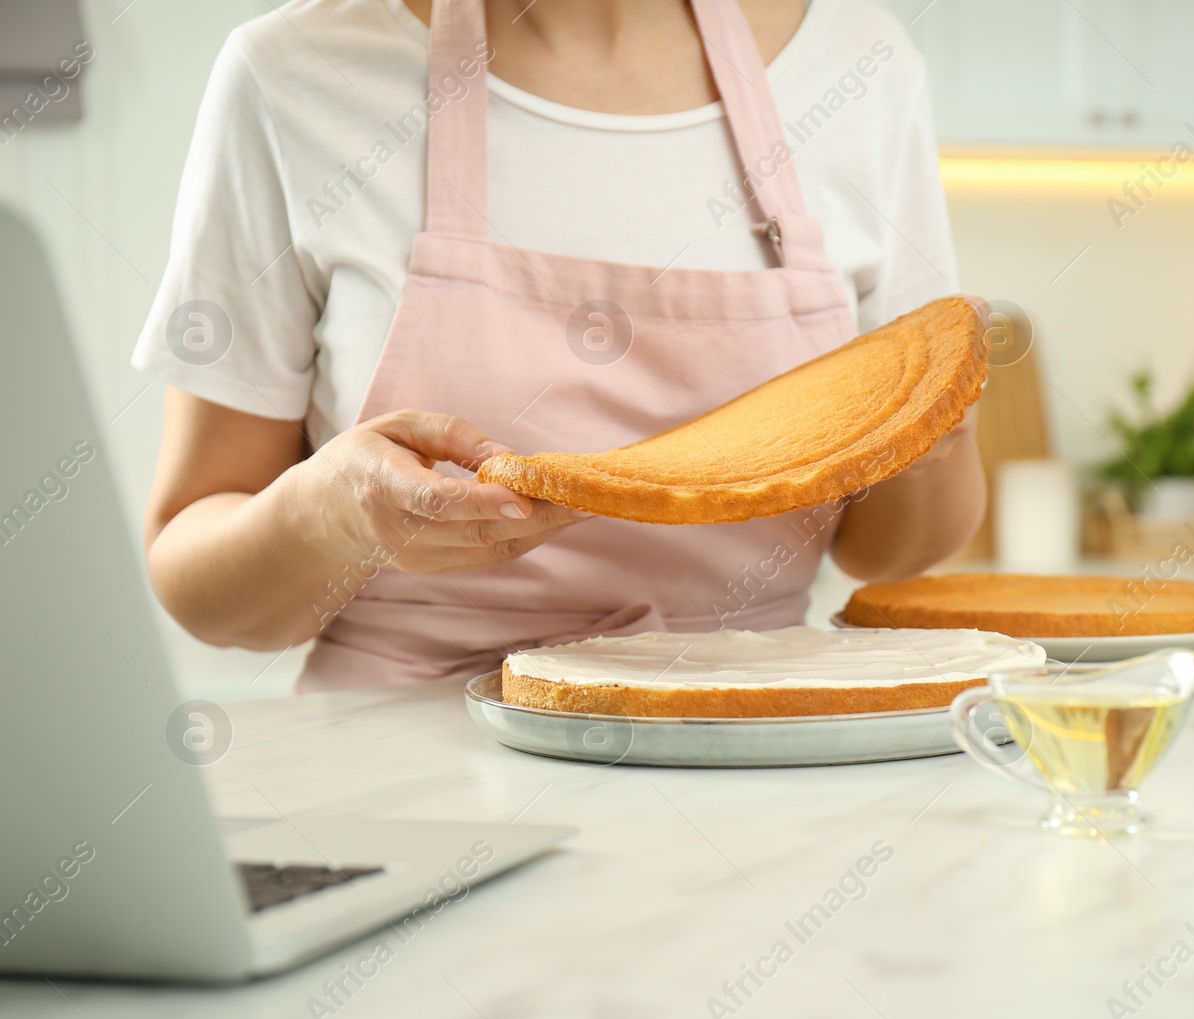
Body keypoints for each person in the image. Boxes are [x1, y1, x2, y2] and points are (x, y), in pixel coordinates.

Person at [133, 0, 985, 690]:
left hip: (756, 744)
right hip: (409, 768)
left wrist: (931, 424)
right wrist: (333, 516)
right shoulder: (294, 76)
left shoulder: (863, 65)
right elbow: (201, 588)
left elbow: (887, 549)